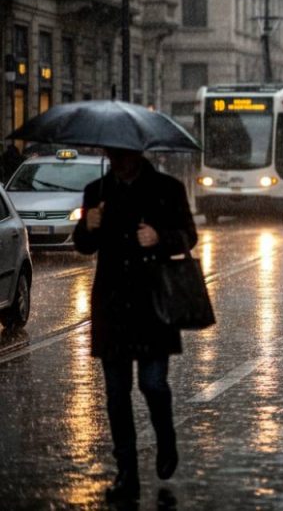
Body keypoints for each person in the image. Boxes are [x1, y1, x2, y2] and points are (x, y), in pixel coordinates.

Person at [72, 148, 198, 503]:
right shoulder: (97, 191)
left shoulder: (167, 188)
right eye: (113, 155)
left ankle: (166, 439)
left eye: (125, 155)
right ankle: (126, 472)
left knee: (153, 383)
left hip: (153, 304)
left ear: (138, 153)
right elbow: (84, 246)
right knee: (116, 393)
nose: (119, 161)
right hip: (112, 307)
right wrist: (87, 226)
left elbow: (189, 235)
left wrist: (161, 238)